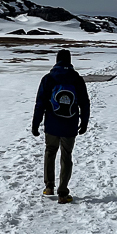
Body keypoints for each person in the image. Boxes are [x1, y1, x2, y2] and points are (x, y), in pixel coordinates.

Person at [32, 48, 91, 204]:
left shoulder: (49, 78)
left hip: (52, 123)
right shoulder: (77, 79)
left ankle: (49, 187)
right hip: (70, 124)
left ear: (56, 60)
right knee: (66, 156)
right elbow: (85, 103)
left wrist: (35, 123)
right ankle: (63, 194)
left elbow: (40, 104)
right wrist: (84, 121)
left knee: (50, 152)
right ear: (70, 61)